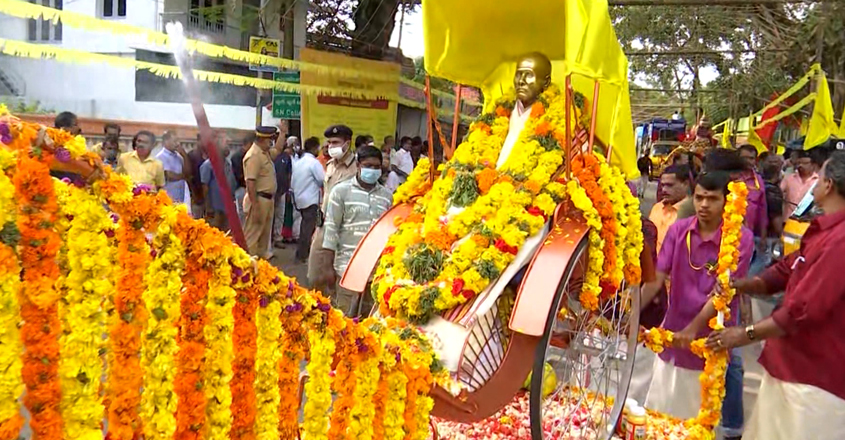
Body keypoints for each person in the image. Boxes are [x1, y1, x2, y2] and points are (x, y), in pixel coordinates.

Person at [705, 151, 845, 440]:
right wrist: (739, 284)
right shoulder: (823, 229)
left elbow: (801, 311)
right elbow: (785, 270)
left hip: (812, 381)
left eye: (820, 175)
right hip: (788, 369)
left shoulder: (840, 241)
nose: (815, 181)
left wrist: (744, 334)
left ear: (829, 185)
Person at [641, 171, 753, 430]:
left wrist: (692, 330)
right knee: (658, 410)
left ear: (727, 200)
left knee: (693, 421)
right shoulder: (680, 229)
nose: (704, 205)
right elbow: (657, 277)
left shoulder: (739, 239)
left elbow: (723, 293)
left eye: (712, 199)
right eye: (700, 197)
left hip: (707, 340)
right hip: (673, 333)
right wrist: (631, 312)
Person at [322, 145, 393, 317]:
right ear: (359, 165)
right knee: (344, 321)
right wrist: (327, 268)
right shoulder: (341, 191)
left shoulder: (387, 196)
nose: (373, 170)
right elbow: (331, 230)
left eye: (377, 167)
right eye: (368, 166)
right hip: (347, 269)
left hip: (375, 272)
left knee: (369, 323)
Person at [307, 125, 358, 292]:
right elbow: (325, 198)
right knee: (314, 276)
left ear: (347, 144)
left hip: (344, 229)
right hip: (323, 226)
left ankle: (336, 311)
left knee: (337, 276)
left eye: (335, 142)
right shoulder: (329, 165)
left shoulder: (357, 169)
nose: (331, 146)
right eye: (329, 143)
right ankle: (320, 308)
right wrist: (317, 227)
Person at [242, 126, 279, 259]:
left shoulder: (265, 152)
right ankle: (247, 267)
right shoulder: (254, 155)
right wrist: (255, 207)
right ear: (263, 139)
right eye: (270, 139)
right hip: (259, 199)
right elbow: (250, 183)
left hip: (267, 200)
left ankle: (261, 269)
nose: (272, 142)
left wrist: (284, 132)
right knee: (252, 237)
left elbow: (278, 150)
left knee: (264, 236)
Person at [291, 136, 325, 263]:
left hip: (300, 198)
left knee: (304, 226)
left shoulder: (299, 162)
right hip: (310, 199)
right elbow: (323, 179)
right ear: (315, 148)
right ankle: (302, 255)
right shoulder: (314, 163)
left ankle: (302, 253)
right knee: (308, 228)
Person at [200, 132, 237, 232]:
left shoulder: (228, 164)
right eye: (226, 144)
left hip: (227, 208)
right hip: (215, 210)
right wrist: (209, 208)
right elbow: (205, 187)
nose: (228, 147)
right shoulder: (208, 165)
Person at [649, 164, 691, 252]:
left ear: (686, 184)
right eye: (663, 185)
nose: (664, 189)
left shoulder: (691, 213)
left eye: (669, 185)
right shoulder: (657, 208)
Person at [272, 137, 295, 249]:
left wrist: (288, 190)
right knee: (270, 216)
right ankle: (269, 240)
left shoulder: (287, 158)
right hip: (271, 191)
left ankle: (277, 238)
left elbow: (289, 175)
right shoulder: (272, 156)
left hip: (282, 191)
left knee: (280, 216)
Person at [781, 150, 818, 218]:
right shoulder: (788, 178)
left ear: (813, 165)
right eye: (799, 163)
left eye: (805, 163)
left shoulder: (818, 181)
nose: (801, 165)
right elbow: (779, 193)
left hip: (806, 222)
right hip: (787, 221)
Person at [156, 131, 189, 205]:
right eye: (175, 141)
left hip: (180, 198)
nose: (177, 144)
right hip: (168, 198)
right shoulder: (160, 157)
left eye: (178, 140)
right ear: (166, 141)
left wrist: (184, 156)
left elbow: (188, 173)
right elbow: (169, 175)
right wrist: (183, 176)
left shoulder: (179, 157)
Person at [231, 133, 253, 222]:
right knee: (243, 215)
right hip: (242, 188)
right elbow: (240, 175)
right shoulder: (238, 156)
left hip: (247, 187)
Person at [188, 134, 210, 219]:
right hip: (196, 196)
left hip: (208, 197)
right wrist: (194, 194)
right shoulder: (192, 156)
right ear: (198, 141)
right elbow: (189, 176)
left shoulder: (209, 156)